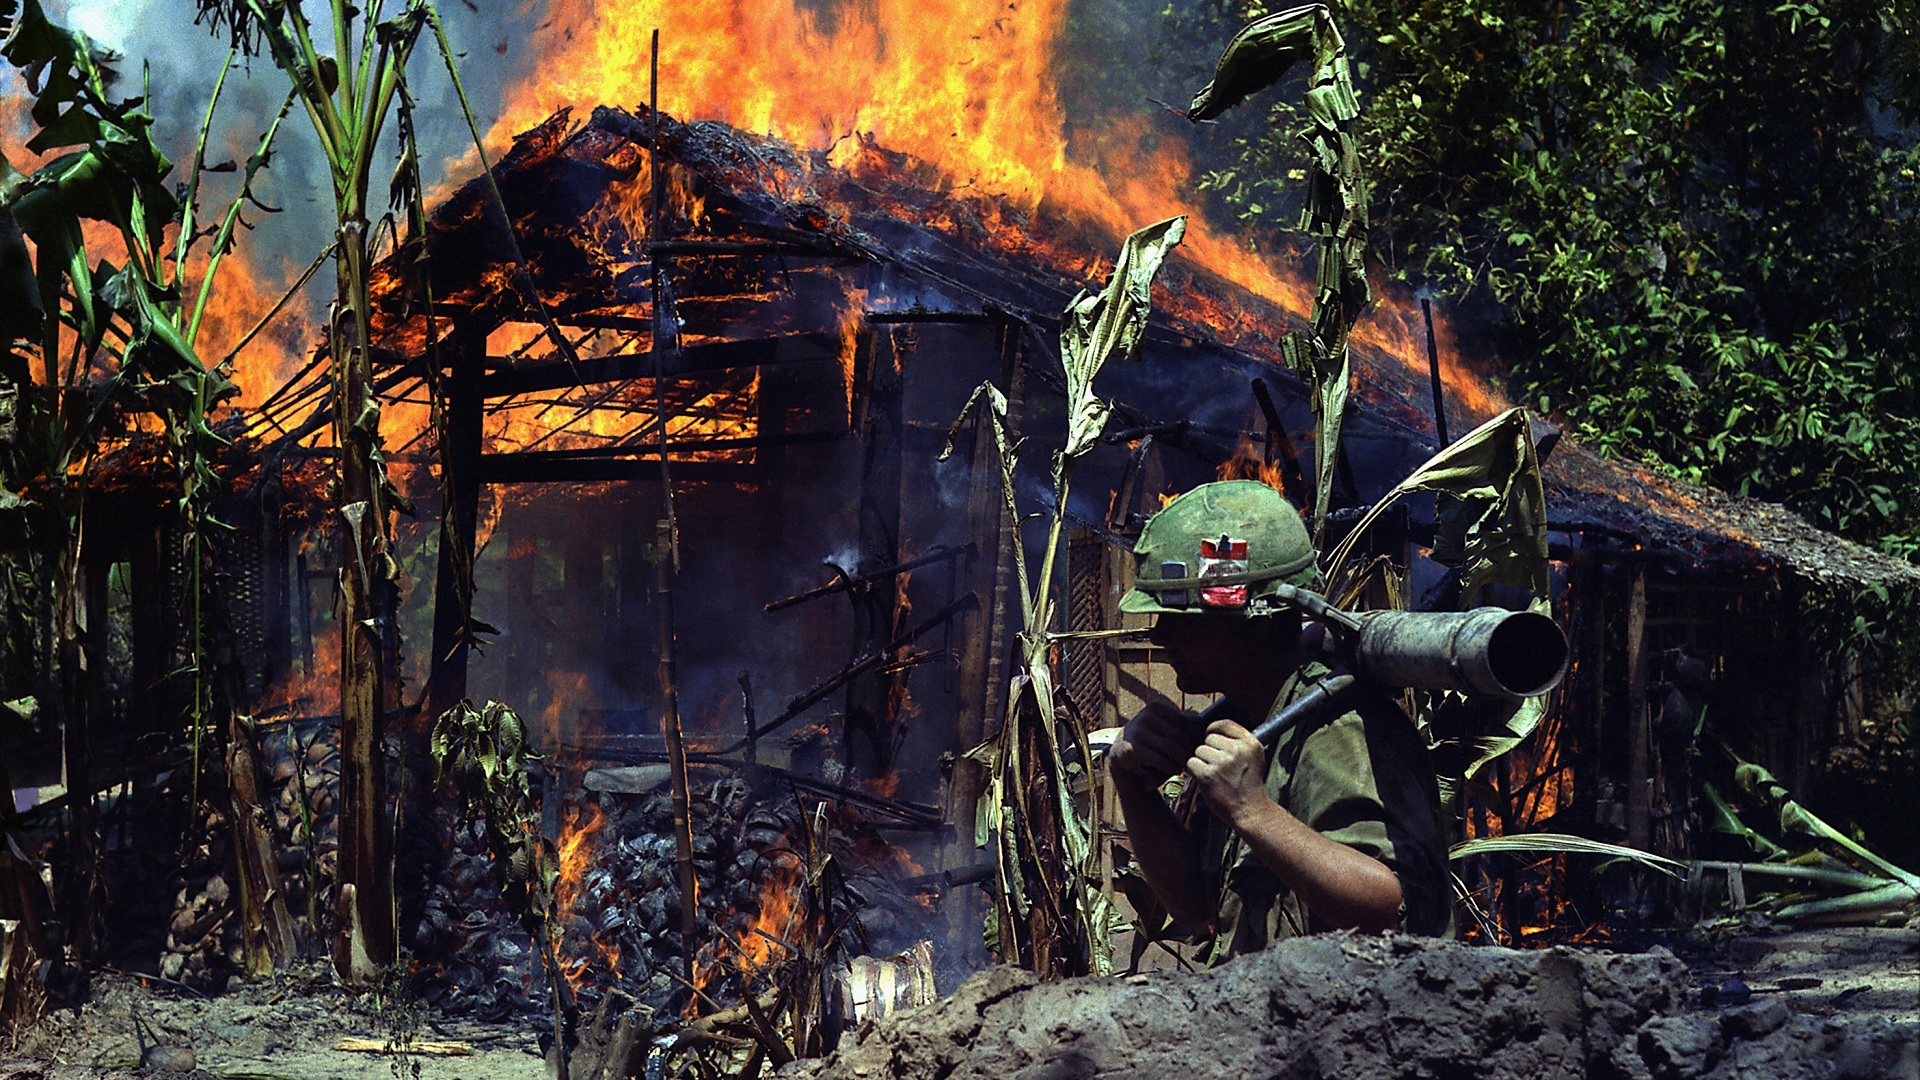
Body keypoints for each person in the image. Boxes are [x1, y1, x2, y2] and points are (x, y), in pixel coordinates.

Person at [1107, 480, 1452, 964]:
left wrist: (1254, 812)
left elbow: (1391, 908)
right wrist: (1134, 787)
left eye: (1184, 617)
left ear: (1257, 620)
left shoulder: (1336, 727)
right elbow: (1192, 906)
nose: (1163, 634)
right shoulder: (1249, 720)